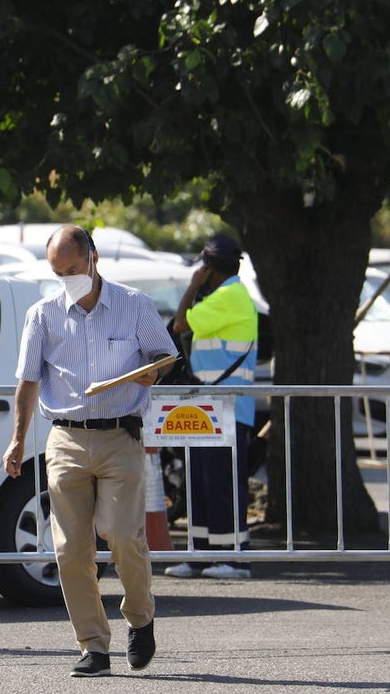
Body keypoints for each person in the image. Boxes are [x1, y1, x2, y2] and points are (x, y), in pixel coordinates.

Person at [1, 225, 177, 678]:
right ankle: (93, 645)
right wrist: (18, 439)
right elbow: (28, 382)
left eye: (74, 269)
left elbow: (164, 358)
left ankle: (140, 616)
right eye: (59, 272)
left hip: (121, 435)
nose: (68, 278)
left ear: (93, 258)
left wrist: (149, 375)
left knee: (121, 534)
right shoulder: (42, 314)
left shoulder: (134, 305)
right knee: (70, 550)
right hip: (65, 438)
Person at [164, 235, 257, 580]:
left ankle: (233, 559)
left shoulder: (230, 295)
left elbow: (179, 323)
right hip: (211, 405)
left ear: (209, 268)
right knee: (201, 481)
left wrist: (192, 285)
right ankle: (201, 555)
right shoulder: (224, 295)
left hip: (228, 407)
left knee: (222, 482)